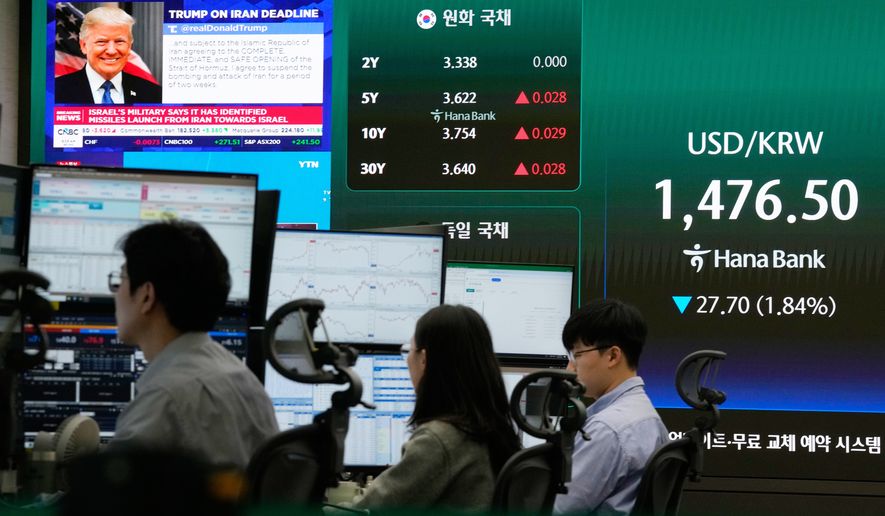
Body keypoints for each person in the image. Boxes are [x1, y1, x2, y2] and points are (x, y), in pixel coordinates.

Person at [107, 220, 277, 469]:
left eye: (121, 279)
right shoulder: (243, 379)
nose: (116, 291)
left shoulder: (166, 398)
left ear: (146, 295)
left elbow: (106, 500)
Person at [354, 304, 521, 510]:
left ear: (424, 359)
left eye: (409, 350)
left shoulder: (439, 440)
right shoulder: (495, 430)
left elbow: (368, 509)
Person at [554, 298, 668, 515]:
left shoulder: (608, 430)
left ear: (613, 356)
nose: (570, 366)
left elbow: (558, 510)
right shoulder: (647, 417)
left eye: (577, 354)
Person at [55, 6, 161, 104]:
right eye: (101, 42)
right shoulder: (54, 91)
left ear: (129, 47)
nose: (111, 51)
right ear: (83, 46)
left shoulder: (153, 94)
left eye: (119, 41)